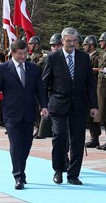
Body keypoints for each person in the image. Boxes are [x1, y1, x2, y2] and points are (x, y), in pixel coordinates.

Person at [42, 27, 98, 185]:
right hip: (58, 104)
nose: (72, 44)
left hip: (79, 105)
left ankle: (73, 174)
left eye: (75, 41)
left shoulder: (84, 57)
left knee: (78, 140)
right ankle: (58, 170)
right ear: (62, 41)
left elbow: (90, 84)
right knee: (59, 137)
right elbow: (44, 83)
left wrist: (94, 105)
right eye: (69, 41)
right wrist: (43, 105)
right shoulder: (53, 58)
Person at [0, 39, 48, 190]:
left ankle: (21, 169)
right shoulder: (3, 68)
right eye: (20, 54)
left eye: (25, 53)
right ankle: (19, 176)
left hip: (29, 113)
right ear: (13, 53)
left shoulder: (33, 68)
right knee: (15, 145)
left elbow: (40, 89)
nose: (24, 56)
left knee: (26, 145)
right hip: (11, 114)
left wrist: (44, 105)